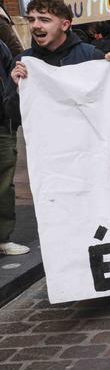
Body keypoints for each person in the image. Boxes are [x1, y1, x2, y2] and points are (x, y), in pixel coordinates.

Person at [11, 0, 104, 85]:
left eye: (44, 20)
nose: (35, 25)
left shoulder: (91, 56)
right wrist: (17, 87)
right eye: (31, 20)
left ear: (65, 25)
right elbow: (10, 101)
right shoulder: (21, 62)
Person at [0, 39, 27, 257]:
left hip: (2, 124)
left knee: (3, 183)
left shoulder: (1, 46)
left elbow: (10, 83)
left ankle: (2, 238)